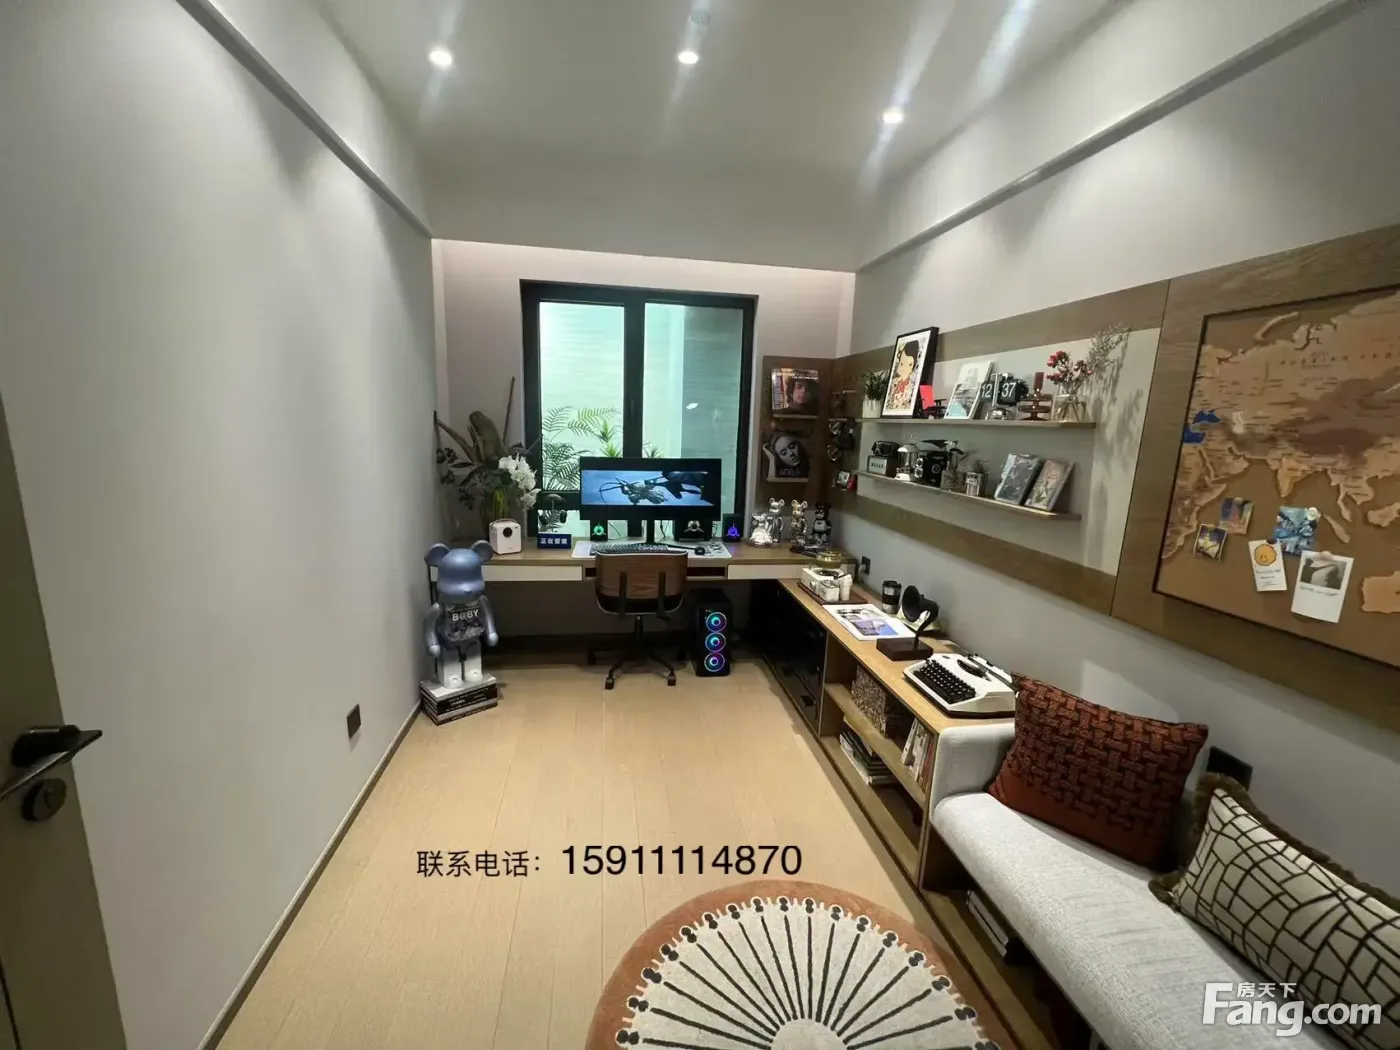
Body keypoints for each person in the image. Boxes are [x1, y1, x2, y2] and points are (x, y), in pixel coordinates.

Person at [887, 343, 920, 411]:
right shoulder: (894, 382)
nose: (904, 368)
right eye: (901, 363)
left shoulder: (912, 386)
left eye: (909, 365)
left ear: (913, 366)